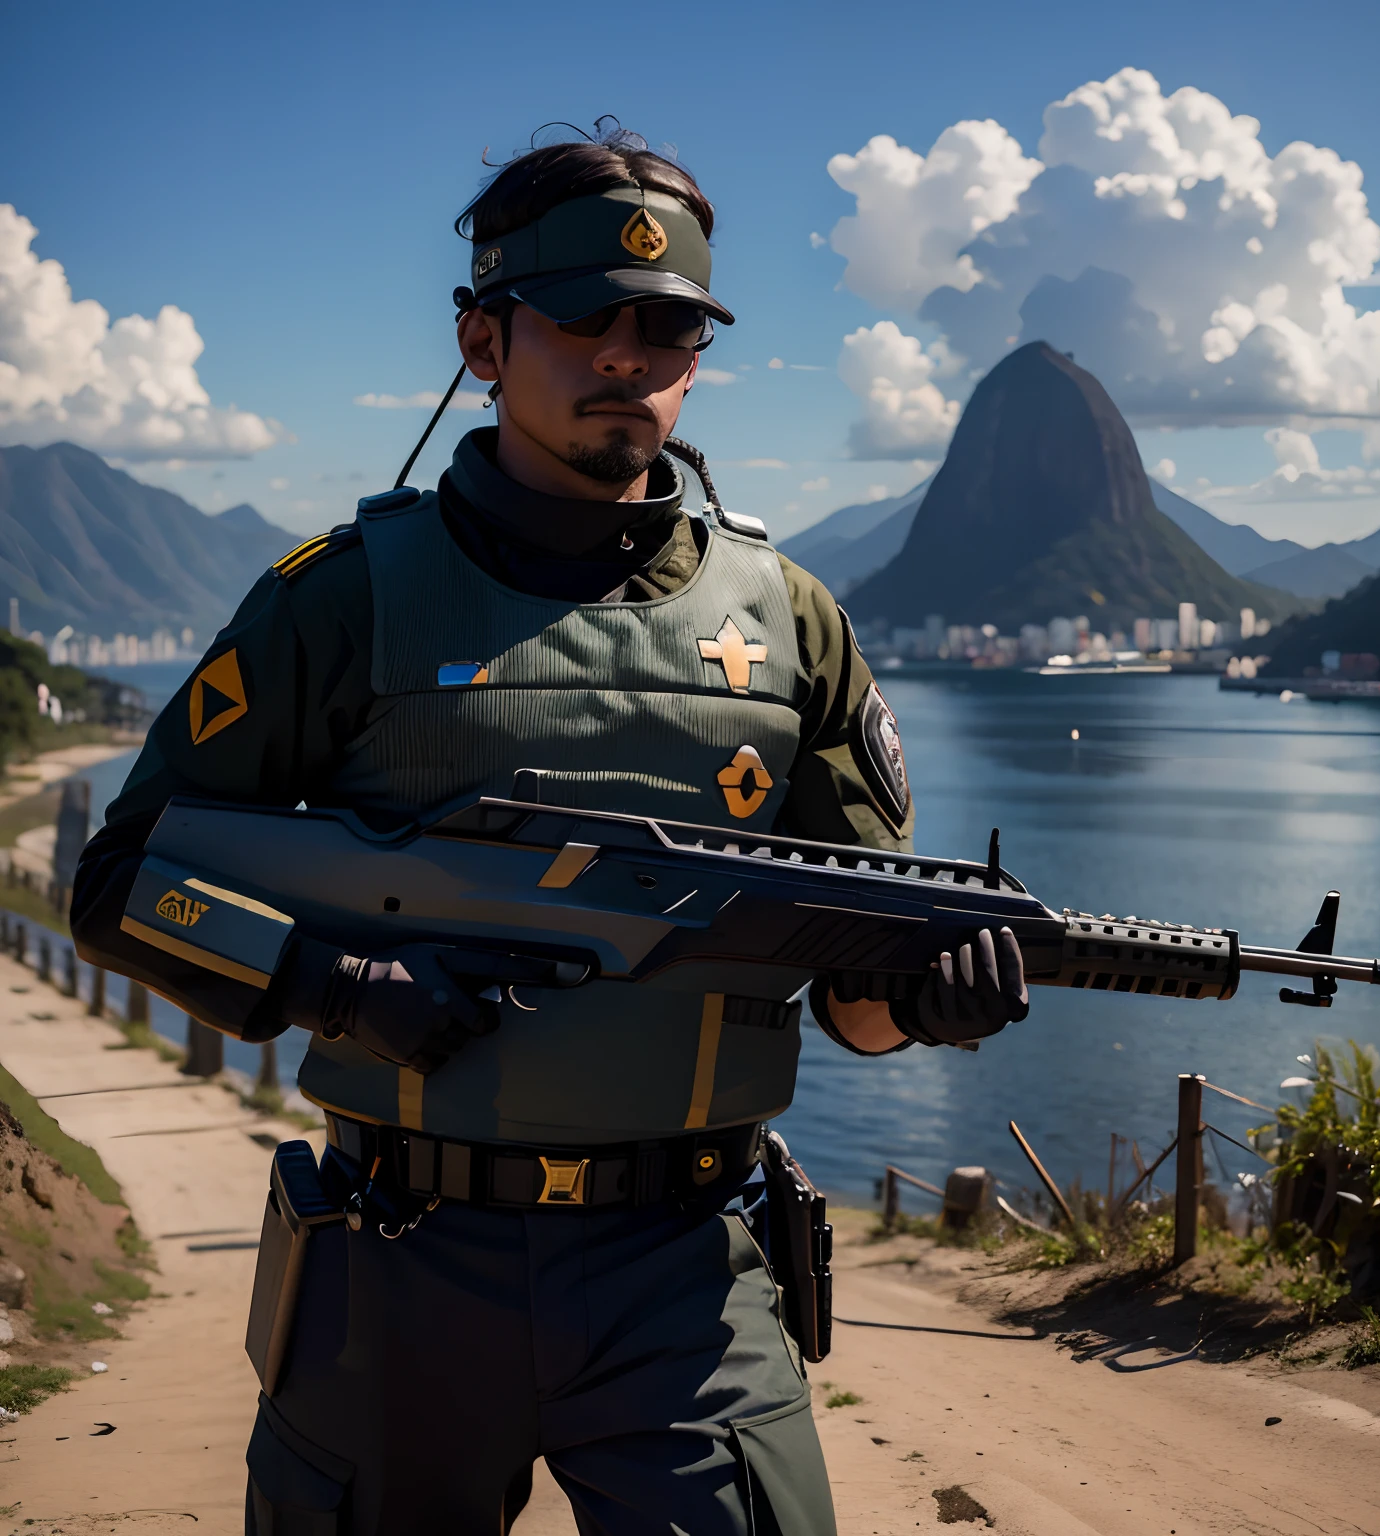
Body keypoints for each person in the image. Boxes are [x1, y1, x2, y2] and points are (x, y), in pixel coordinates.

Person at [70, 121, 1028, 1536]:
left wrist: (931, 1001)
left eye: (667, 327)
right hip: (401, 1262)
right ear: (483, 340)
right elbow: (123, 883)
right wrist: (337, 986)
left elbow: (854, 1001)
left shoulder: (793, 621)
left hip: (690, 1277)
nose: (627, 357)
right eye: (583, 320)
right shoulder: (342, 600)